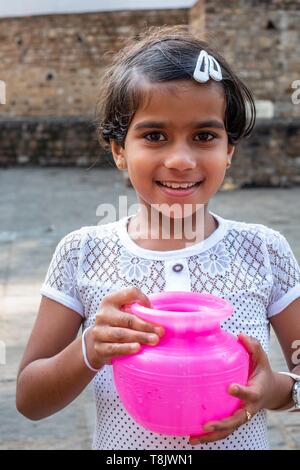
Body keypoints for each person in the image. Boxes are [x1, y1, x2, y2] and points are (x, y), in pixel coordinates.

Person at [16, 25, 300, 450]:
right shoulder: (83, 254)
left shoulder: (264, 251)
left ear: (229, 151)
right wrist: (90, 349)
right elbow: (29, 399)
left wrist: (274, 389)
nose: (181, 160)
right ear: (118, 150)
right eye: (154, 136)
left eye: (205, 136)